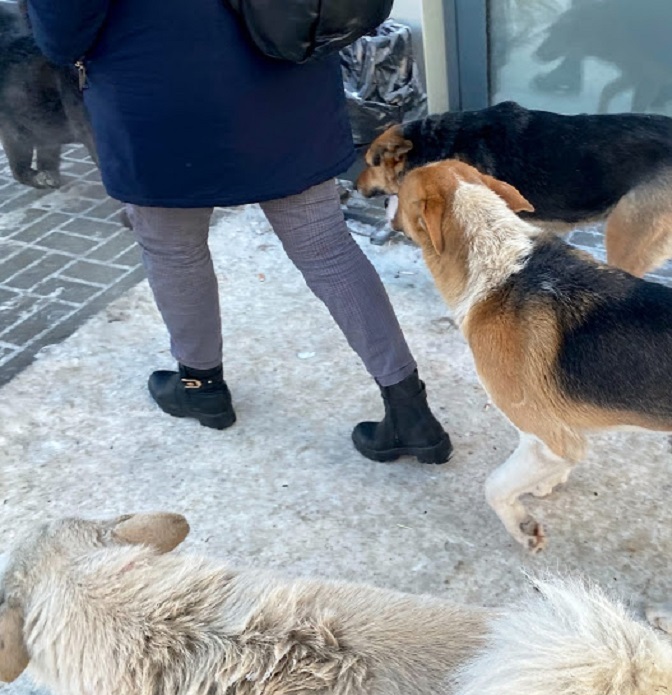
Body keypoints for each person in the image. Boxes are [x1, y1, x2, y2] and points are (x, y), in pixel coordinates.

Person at [24, 0, 452, 464]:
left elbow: (62, 36)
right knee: (326, 248)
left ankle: (200, 385)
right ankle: (410, 410)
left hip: (159, 93)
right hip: (286, 79)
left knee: (173, 252)